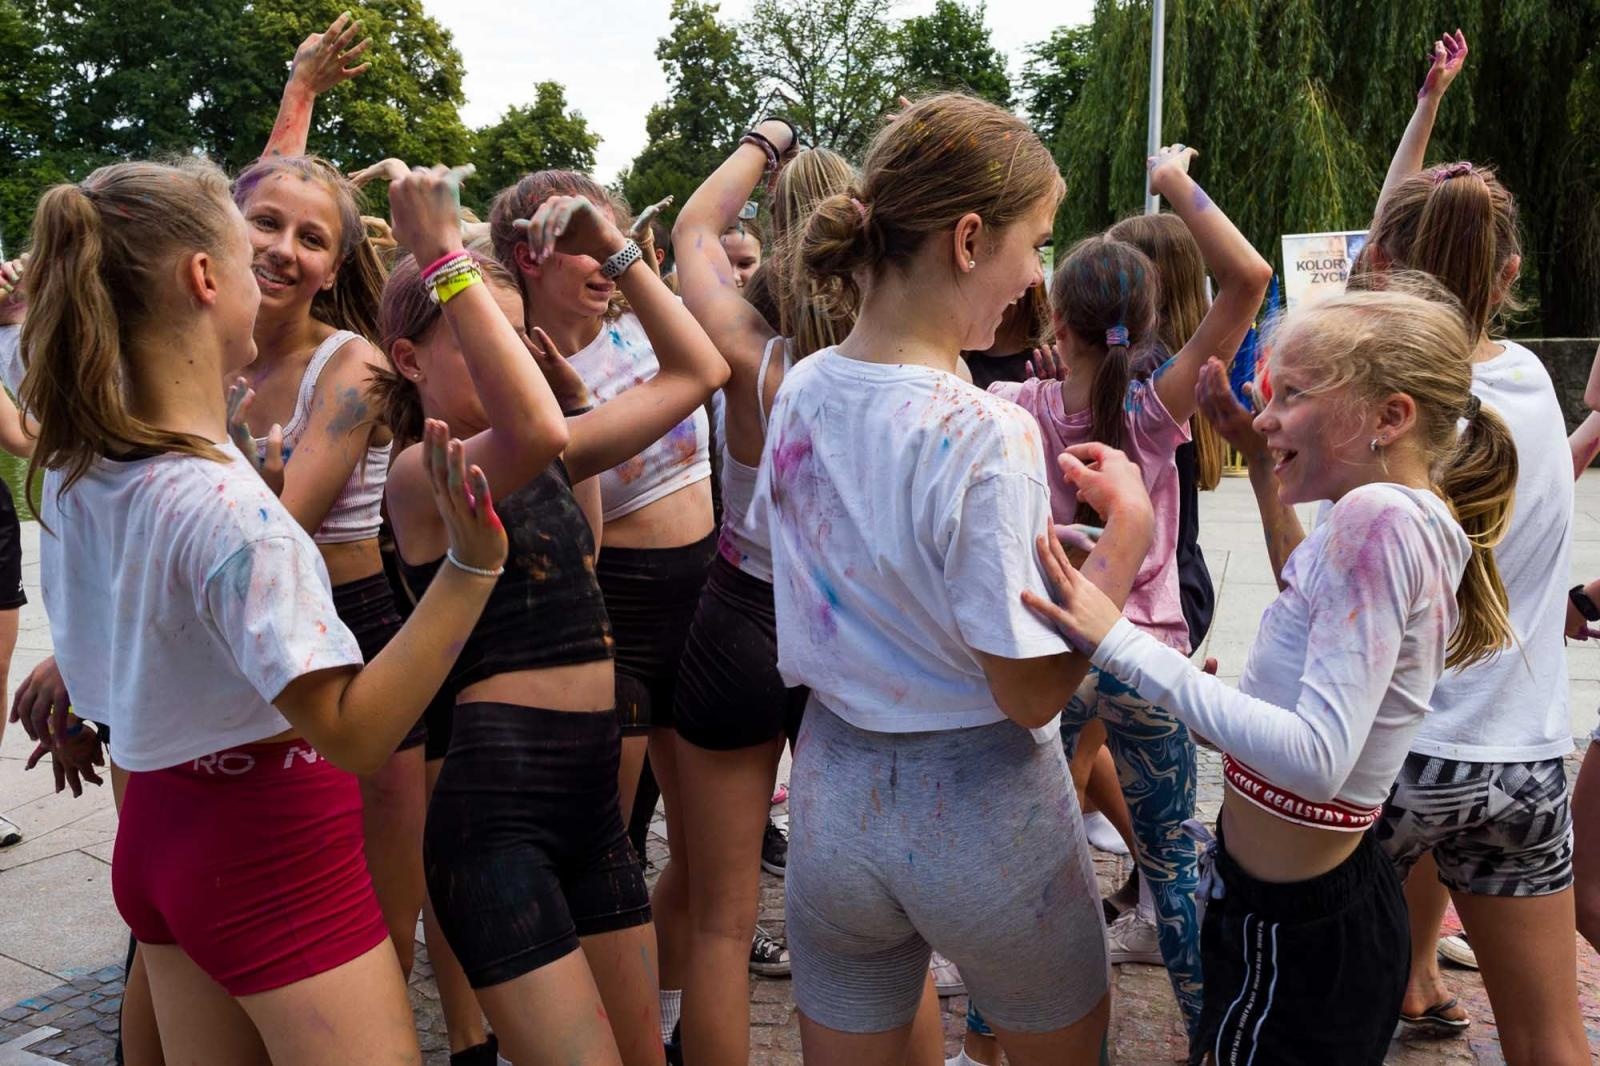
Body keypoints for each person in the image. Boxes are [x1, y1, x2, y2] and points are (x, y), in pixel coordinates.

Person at [19, 156, 506, 1064]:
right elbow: (356, 735)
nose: (267, 272)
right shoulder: (230, 509)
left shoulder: (79, 465)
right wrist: (472, 569)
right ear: (206, 278)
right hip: (268, 848)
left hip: (160, 828)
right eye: (249, 251)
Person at [755, 92, 1160, 1066]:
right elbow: (1023, 691)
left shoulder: (800, 387)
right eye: (1035, 244)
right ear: (969, 239)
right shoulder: (985, 429)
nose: (1034, 281)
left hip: (833, 796)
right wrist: (1124, 539)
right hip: (980, 809)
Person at [1038, 280, 1517, 1065]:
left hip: (1297, 932)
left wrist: (1119, 643)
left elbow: (1317, 759)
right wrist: (1264, 466)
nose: (1262, 418)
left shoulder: (1381, 518)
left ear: (1389, 418)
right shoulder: (1394, 512)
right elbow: (1319, 637)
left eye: (1290, 396)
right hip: (1297, 913)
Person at [380, 184, 726, 1065]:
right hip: (497, 821)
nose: (507, 362)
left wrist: (615, 248)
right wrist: (439, 252)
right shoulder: (422, 475)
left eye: (507, 338)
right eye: (471, 336)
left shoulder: (547, 438)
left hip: (589, 813)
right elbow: (530, 430)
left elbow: (699, 372)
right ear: (408, 363)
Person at [1314, 29, 1585, 1065]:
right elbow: (1396, 244)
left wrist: (1424, 109)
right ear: (1509, 273)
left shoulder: (1381, 402)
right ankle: (1424, 975)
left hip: (1389, 762)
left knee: (1324, 1026)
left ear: (1379, 266)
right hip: (1521, 762)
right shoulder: (1527, 388)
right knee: (1550, 1038)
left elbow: (1380, 250)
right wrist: (1429, 110)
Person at [989, 144, 1271, 1031]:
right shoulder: (1157, 413)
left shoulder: (1011, 409)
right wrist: (1177, 181)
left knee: (1026, 870)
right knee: (1173, 870)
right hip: (1147, 656)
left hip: (1054, 653)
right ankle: (1205, 1037)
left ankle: (989, 1041)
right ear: (1147, 323)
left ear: (1057, 327)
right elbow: (1248, 278)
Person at [487, 169, 722, 1048]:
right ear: (528, 258)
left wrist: (624, 257)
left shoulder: (635, 331)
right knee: (606, 856)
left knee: (704, 856)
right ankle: (579, 1032)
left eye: (613, 241)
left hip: (697, 606)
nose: (605, 261)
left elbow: (712, 365)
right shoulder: (514, 371)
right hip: (608, 621)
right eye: (583, 244)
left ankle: (651, 1021)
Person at [671, 126, 855, 1065]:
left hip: (741, 617)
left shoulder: (755, 354)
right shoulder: (899, 367)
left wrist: (761, 140)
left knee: (719, 922)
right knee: (864, 935)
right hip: (851, 641)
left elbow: (695, 229)